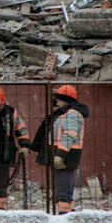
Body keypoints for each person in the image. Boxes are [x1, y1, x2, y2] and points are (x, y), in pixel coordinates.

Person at [30, 84, 89, 214]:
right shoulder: (64, 113)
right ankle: (65, 208)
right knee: (61, 182)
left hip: (66, 154)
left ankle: (64, 211)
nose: (57, 102)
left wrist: (60, 154)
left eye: (59, 99)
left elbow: (69, 135)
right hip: (61, 152)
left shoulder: (72, 114)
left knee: (63, 182)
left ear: (66, 100)